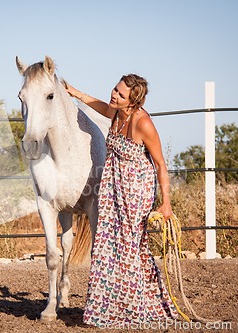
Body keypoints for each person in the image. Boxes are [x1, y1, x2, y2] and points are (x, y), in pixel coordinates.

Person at [65, 74, 177, 328]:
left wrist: (166, 202)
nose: (114, 95)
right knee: (106, 245)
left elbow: (160, 163)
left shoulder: (142, 123)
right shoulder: (116, 112)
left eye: (120, 94)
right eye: (115, 89)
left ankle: (134, 307)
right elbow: (100, 106)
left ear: (132, 101)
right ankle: (107, 308)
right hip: (113, 188)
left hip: (136, 192)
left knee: (128, 247)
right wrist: (75, 92)